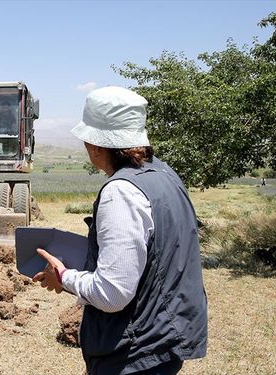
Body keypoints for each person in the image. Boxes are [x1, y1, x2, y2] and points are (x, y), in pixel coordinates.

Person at [33, 86, 208, 374]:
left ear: (98, 144)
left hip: (134, 352)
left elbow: (113, 294)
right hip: (164, 340)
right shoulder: (165, 175)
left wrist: (64, 277)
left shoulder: (121, 192)